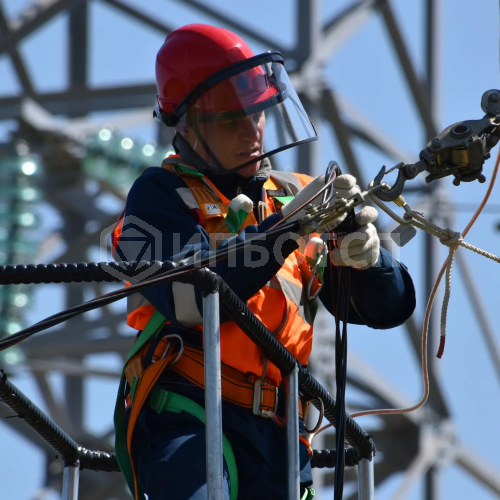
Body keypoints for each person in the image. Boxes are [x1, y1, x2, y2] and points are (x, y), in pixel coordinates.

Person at [113, 23, 416, 500]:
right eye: (230, 120)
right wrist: (285, 231)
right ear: (188, 126)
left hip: (282, 437)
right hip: (193, 411)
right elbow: (191, 295)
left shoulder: (294, 196)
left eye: (256, 115)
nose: (250, 132)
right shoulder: (160, 196)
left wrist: (368, 258)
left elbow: (388, 307)